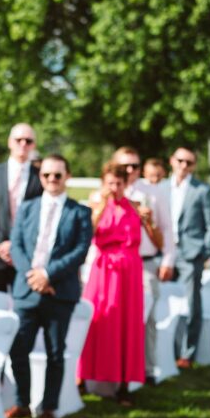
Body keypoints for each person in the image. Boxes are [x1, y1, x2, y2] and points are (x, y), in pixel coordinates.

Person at [6, 154, 92, 418]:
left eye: (57, 175)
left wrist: (48, 274)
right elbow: (16, 245)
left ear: (67, 176)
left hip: (59, 292)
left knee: (56, 353)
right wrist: (33, 276)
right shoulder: (27, 207)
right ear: (40, 177)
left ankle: (49, 408)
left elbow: (80, 251)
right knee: (19, 350)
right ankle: (22, 403)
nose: (52, 180)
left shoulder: (80, 212)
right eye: (46, 175)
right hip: (27, 290)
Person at [78, 162, 146, 405]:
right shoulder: (95, 208)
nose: (115, 188)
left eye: (119, 183)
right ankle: (83, 377)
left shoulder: (136, 208)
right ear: (103, 184)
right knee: (97, 320)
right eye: (110, 183)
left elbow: (155, 238)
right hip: (103, 270)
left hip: (129, 271)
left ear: (126, 184)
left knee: (127, 324)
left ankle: (125, 384)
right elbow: (88, 235)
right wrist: (101, 206)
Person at [110, 146, 175, 381]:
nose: (129, 170)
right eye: (124, 166)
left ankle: (146, 369)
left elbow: (167, 229)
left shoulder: (153, 192)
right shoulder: (107, 192)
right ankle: (116, 367)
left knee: (146, 318)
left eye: (135, 166)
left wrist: (168, 259)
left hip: (144, 262)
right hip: (114, 266)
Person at [168, 146, 210, 368]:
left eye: (189, 162)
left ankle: (186, 353)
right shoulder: (161, 187)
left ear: (194, 165)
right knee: (164, 303)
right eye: (180, 161)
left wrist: (204, 251)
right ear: (172, 161)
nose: (183, 166)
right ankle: (165, 348)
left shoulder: (202, 190)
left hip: (191, 253)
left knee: (190, 304)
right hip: (165, 253)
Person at [0, 123, 42, 291]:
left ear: (34, 145)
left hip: (27, 256)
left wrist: (16, 244)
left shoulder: (41, 177)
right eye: (19, 140)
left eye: (28, 140)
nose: (23, 144)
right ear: (10, 142)